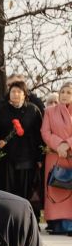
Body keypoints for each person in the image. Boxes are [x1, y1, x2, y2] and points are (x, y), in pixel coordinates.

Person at [0, 81, 44, 204]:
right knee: (6, 192)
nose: (15, 94)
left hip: (27, 158)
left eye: (19, 92)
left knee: (25, 193)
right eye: (13, 91)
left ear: (25, 94)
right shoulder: (1, 110)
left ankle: (25, 220)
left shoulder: (33, 110)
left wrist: (39, 158)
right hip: (6, 158)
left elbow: (39, 135)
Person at [40, 82, 72, 234]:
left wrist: (68, 144)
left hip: (70, 154)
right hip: (55, 156)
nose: (65, 95)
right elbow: (45, 132)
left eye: (69, 92)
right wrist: (59, 145)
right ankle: (55, 224)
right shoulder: (49, 111)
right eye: (63, 91)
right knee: (56, 187)